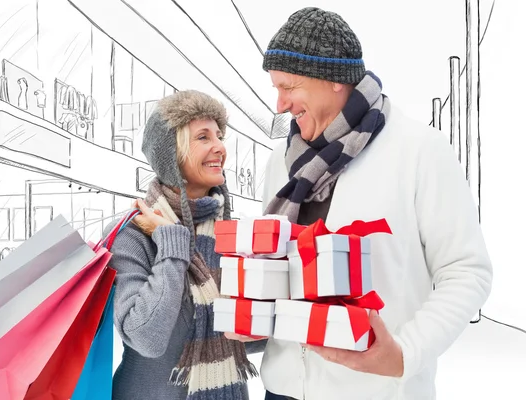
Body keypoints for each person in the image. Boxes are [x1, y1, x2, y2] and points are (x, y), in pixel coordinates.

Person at [228, 7, 493, 400]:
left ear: (335, 80)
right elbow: (277, 268)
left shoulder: (419, 151)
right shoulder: (282, 162)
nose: (280, 104)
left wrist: (404, 355)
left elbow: (467, 272)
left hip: (377, 391)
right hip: (282, 390)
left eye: (290, 86)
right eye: (276, 88)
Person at [104, 90, 260, 400]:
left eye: (219, 135)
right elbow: (146, 337)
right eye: (203, 137)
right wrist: (173, 244)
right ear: (172, 155)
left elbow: (246, 339)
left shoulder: (231, 234)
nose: (220, 147)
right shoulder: (133, 234)